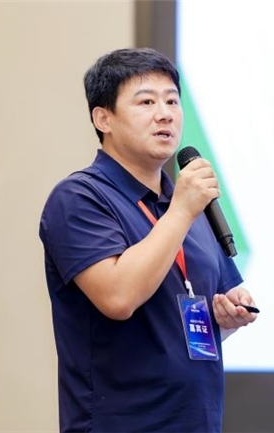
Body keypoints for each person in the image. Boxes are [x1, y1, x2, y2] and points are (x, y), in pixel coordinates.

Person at [39, 47, 258, 433]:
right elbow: (118, 297)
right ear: (103, 118)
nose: (165, 114)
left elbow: (184, 324)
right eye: (146, 102)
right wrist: (181, 211)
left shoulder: (188, 205)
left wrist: (227, 318)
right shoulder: (80, 198)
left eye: (172, 101)